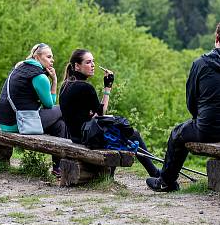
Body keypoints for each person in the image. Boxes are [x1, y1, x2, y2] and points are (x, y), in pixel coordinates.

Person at [146, 21, 220, 192]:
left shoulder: (200, 64)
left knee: (177, 133)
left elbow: (191, 102)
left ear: (216, 37)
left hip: (209, 129)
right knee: (182, 131)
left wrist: (201, 118)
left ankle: (166, 181)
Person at [59, 49, 160, 177]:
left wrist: (93, 114)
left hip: (75, 136)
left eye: (93, 62)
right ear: (77, 66)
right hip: (87, 137)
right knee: (132, 134)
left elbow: (87, 114)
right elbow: (101, 113)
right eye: (88, 62)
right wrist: (107, 88)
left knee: (120, 132)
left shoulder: (66, 85)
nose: (93, 65)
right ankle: (154, 172)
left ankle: (110, 175)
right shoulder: (85, 87)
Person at [0, 43, 68, 173]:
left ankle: (58, 168)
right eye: (49, 57)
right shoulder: (40, 77)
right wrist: (55, 81)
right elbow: (49, 104)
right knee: (63, 109)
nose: (52, 60)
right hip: (18, 123)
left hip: (4, 122)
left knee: (60, 125)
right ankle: (68, 158)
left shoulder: (19, 67)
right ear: (37, 57)